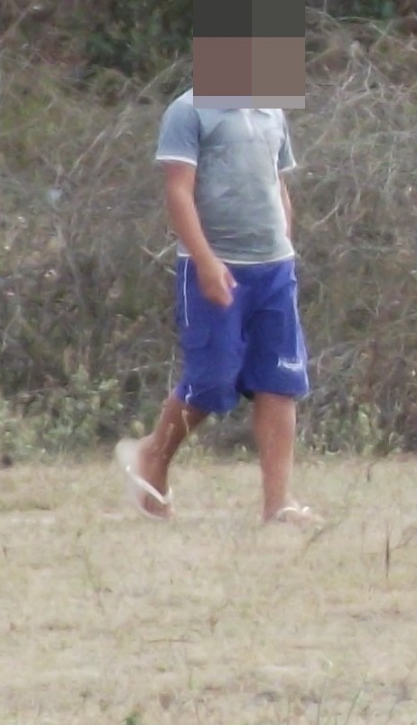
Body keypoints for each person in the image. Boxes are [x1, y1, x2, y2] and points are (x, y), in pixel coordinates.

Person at [117, 80, 320, 529]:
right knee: (211, 381)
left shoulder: (272, 110)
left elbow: (276, 182)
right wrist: (206, 261)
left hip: (273, 269)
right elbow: (178, 191)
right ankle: (152, 454)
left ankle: (278, 504)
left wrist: (285, 242)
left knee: (279, 382)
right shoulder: (189, 110)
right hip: (213, 266)